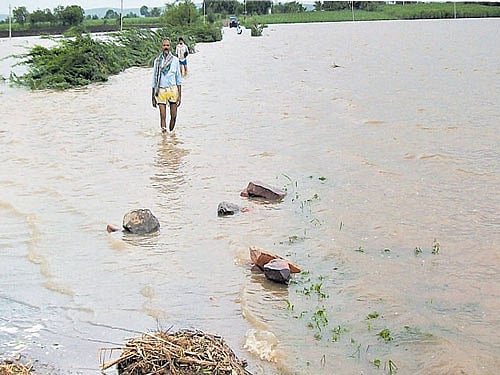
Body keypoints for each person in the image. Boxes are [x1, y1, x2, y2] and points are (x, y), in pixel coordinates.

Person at [152, 37, 182, 132]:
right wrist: (153, 96)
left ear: (170, 47)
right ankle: (164, 138)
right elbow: (154, 79)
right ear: (161, 46)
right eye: (164, 45)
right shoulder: (157, 61)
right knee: (162, 116)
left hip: (172, 90)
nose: (166, 47)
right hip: (161, 90)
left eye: (167, 45)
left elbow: (178, 79)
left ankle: (172, 136)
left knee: (174, 116)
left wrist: (179, 96)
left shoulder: (175, 60)